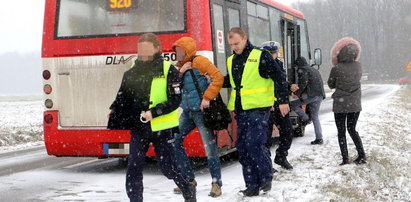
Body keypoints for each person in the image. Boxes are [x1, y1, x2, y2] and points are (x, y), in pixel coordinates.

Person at [108, 33, 196, 202]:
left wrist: (154, 112)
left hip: (161, 129)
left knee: (168, 168)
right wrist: (114, 109)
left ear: (157, 49)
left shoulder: (167, 69)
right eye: (141, 50)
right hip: (139, 128)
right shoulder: (132, 70)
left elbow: (175, 99)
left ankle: (187, 188)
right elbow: (123, 95)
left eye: (147, 50)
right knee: (133, 167)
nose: (144, 54)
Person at [224, 27, 290, 196]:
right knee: (243, 149)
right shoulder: (231, 60)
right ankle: (252, 185)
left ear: (245, 38)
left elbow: (279, 77)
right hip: (241, 110)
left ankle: (266, 177)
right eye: (231, 44)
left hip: (259, 110)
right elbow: (232, 81)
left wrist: (282, 101)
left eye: (237, 43)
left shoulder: (261, 55)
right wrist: (213, 79)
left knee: (255, 144)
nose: (234, 47)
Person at [171, 36, 224, 197]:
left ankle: (216, 184)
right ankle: (188, 180)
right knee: (175, 141)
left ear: (187, 50)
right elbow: (172, 86)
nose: (177, 53)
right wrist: (181, 72)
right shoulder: (178, 67)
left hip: (201, 112)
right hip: (187, 112)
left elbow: (218, 77)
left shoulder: (200, 61)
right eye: (176, 50)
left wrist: (207, 98)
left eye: (180, 50)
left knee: (209, 148)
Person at [328, 37, 366, 165]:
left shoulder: (337, 68)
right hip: (355, 104)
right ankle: (362, 155)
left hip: (340, 104)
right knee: (352, 129)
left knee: (341, 131)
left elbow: (331, 84)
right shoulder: (358, 66)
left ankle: (345, 158)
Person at [262, 42, 294, 170]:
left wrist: (290, 87)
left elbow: (281, 83)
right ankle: (267, 164)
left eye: (274, 53)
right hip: (267, 106)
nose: (272, 56)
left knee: (287, 132)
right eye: (269, 54)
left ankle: (281, 157)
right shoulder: (261, 68)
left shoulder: (280, 66)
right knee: (266, 138)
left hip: (280, 105)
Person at [290, 56, 326, 145]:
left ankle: (305, 118)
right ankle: (319, 138)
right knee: (315, 117)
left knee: (292, 104)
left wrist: (296, 94)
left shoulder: (303, 70)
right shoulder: (313, 69)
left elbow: (303, 83)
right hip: (320, 95)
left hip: (311, 95)